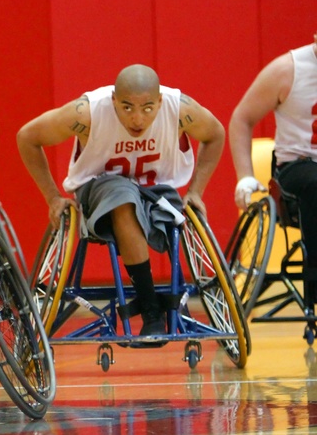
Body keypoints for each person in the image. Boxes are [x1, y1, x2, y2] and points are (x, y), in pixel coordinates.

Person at [17, 64, 225, 339]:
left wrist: (196, 191)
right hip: (98, 190)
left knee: (142, 201)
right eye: (127, 107)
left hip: (157, 192)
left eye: (147, 108)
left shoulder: (180, 109)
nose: (137, 118)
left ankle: (164, 301)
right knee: (122, 195)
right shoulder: (87, 113)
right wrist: (53, 198)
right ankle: (150, 307)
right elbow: (27, 137)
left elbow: (216, 134)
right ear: (113, 99)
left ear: (160, 101)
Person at [230, 35, 317, 286]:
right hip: (297, 167)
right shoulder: (287, 70)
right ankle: (314, 279)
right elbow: (241, 119)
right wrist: (245, 176)